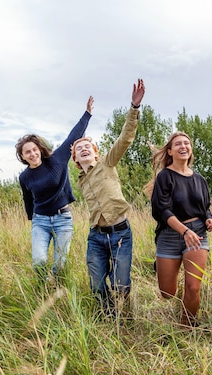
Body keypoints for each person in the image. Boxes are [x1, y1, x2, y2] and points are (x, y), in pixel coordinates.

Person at [71, 78, 145, 317]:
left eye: (87, 146)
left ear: (95, 152)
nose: (83, 148)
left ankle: (125, 309)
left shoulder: (107, 163)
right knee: (97, 285)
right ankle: (109, 316)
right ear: (75, 160)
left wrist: (134, 108)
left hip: (120, 233)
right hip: (96, 237)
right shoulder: (81, 180)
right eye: (78, 148)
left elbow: (125, 139)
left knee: (120, 284)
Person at [15, 96, 94, 280]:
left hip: (63, 219)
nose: (32, 154)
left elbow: (73, 137)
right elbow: (28, 201)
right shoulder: (24, 177)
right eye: (27, 152)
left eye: (34, 149)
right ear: (23, 156)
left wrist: (87, 114)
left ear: (39, 149)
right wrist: (33, 220)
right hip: (40, 222)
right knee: (39, 262)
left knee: (60, 265)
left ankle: (56, 293)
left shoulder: (56, 160)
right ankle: (42, 292)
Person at [146, 131, 212, 327]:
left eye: (187, 143)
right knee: (167, 293)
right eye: (178, 144)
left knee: (193, 287)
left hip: (197, 234)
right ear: (170, 151)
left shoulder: (200, 179)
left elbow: (206, 207)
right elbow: (161, 210)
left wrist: (210, 220)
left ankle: (187, 328)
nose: (183, 146)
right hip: (170, 234)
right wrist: (183, 230)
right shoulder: (165, 177)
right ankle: (163, 266)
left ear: (190, 149)